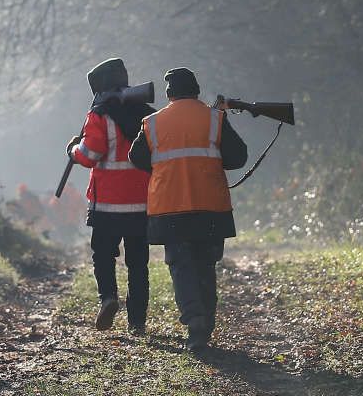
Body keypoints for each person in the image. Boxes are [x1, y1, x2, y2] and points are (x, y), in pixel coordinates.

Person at [129, 67, 247, 353]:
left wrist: (166, 170)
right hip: (210, 206)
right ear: (196, 90)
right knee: (205, 264)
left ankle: (194, 321)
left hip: (170, 207)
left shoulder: (152, 123)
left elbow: (137, 158)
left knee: (181, 266)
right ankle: (206, 323)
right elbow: (238, 158)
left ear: (169, 94)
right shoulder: (215, 118)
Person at [66, 57, 154, 333]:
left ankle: (108, 298)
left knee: (103, 255)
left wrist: (73, 150)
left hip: (107, 204)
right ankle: (137, 322)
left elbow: (90, 155)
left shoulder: (99, 114)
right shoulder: (147, 114)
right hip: (141, 202)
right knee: (138, 262)